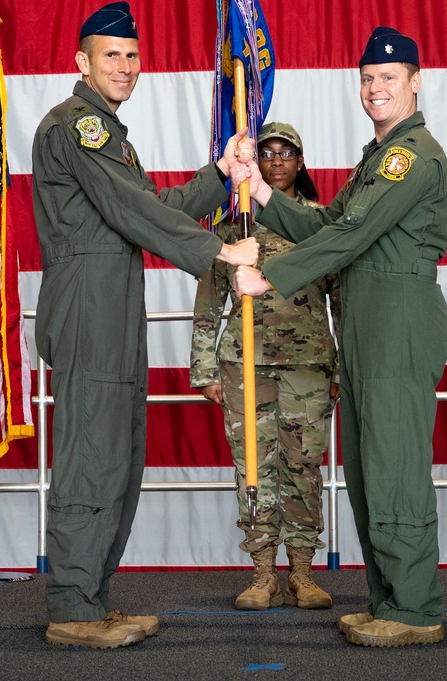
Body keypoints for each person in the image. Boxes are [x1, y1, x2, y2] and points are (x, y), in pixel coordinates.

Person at [31, 1, 259, 649]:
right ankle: (73, 605)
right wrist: (217, 251)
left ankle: (92, 597)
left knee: (119, 455)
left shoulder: (109, 133)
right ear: (82, 62)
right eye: (112, 54)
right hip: (86, 308)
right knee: (91, 457)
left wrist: (221, 174)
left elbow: (152, 204)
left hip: (114, 304)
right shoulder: (77, 127)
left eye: (132, 55)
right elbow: (137, 212)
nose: (126, 66)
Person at [233, 27, 447, 648]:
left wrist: (267, 273)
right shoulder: (377, 157)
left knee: (395, 465)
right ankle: (389, 598)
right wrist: (263, 193)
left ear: (416, 81)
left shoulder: (414, 155)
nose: (375, 87)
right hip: (366, 318)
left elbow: (349, 238)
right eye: (367, 78)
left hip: (398, 317)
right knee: (367, 465)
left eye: (389, 77)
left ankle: (414, 608)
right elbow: (329, 221)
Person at [190, 122, 341, 611]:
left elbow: (344, 299)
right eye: (267, 154)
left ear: (300, 162)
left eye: (286, 154)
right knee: (253, 468)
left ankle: (301, 573)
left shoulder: (322, 225)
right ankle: (262, 575)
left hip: (308, 367)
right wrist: (205, 370)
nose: (276, 161)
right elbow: (209, 305)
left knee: (302, 466)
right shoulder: (236, 231)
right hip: (245, 365)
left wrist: (343, 369)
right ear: (254, 166)